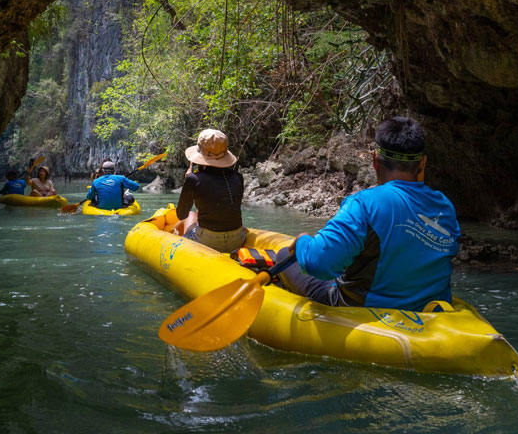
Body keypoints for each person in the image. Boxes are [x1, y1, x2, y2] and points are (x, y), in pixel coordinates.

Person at [278, 116, 460, 311]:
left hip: (364, 307)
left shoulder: (364, 203)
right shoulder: (445, 207)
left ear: (375, 160)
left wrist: (304, 241)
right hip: (428, 310)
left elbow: (317, 264)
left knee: (283, 255)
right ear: (422, 163)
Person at [175, 129, 245, 253]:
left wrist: (189, 181)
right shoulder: (238, 177)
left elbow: (181, 214)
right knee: (195, 215)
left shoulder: (193, 179)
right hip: (238, 239)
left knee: (191, 215)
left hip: (208, 241)